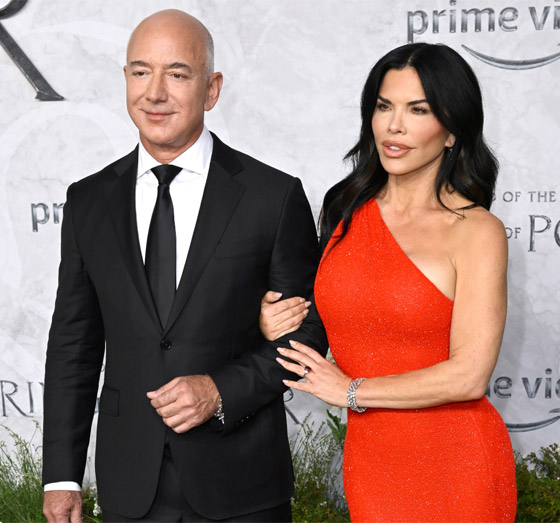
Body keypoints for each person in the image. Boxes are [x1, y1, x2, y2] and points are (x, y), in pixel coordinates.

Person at [42, 9, 327, 522]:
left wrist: (220, 390)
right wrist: (62, 476)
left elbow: (309, 331)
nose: (155, 93)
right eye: (140, 72)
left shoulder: (272, 196)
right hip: (130, 487)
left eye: (177, 74)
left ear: (211, 90)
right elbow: (73, 346)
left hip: (243, 485)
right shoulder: (88, 201)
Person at [260, 43, 517, 522]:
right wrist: (274, 321)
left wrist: (351, 391)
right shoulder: (343, 210)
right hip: (371, 461)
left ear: (452, 131)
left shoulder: (476, 231)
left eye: (418, 110)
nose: (394, 126)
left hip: (457, 464)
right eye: (384, 106)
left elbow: (469, 376)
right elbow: (327, 321)